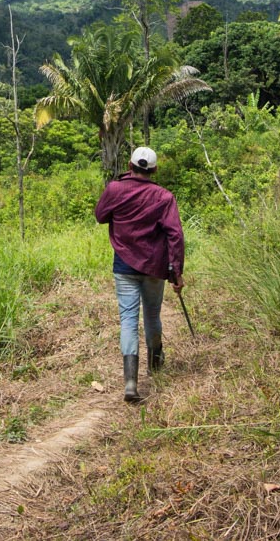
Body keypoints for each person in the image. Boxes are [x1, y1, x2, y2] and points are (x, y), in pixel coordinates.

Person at [94, 146, 185, 403]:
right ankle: (155, 367)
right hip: (154, 266)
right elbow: (175, 235)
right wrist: (176, 271)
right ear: (154, 170)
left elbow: (101, 216)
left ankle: (131, 384)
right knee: (152, 315)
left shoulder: (114, 189)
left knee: (128, 320)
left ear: (130, 166)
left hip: (124, 267)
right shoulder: (164, 197)